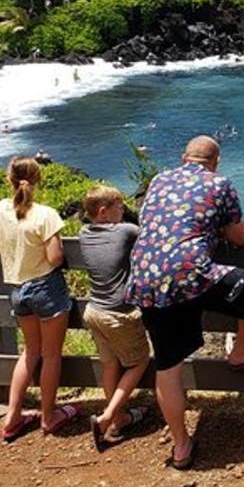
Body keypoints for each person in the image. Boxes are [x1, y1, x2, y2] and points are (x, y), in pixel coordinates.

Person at [127, 135, 244, 470]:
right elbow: (239, 236)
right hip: (190, 275)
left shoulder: (159, 180)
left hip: (145, 280)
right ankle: (242, 349)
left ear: (185, 158)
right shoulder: (219, 184)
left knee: (168, 365)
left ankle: (181, 447)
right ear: (216, 161)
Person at [0, 157, 78, 442]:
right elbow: (54, 257)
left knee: (29, 352)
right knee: (51, 355)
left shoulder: (1, 209)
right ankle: (49, 415)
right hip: (45, 287)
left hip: (17, 288)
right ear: (38, 179)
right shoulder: (46, 214)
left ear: (9, 179)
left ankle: (12, 417)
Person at [80, 185, 151, 451]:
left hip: (93, 311)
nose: (124, 211)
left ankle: (119, 419)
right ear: (103, 212)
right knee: (138, 363)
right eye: (119, 207)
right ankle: (108, 417)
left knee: (110, 365)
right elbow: (149, 238)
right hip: (118, 314)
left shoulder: (84, 233)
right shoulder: (126, 231)